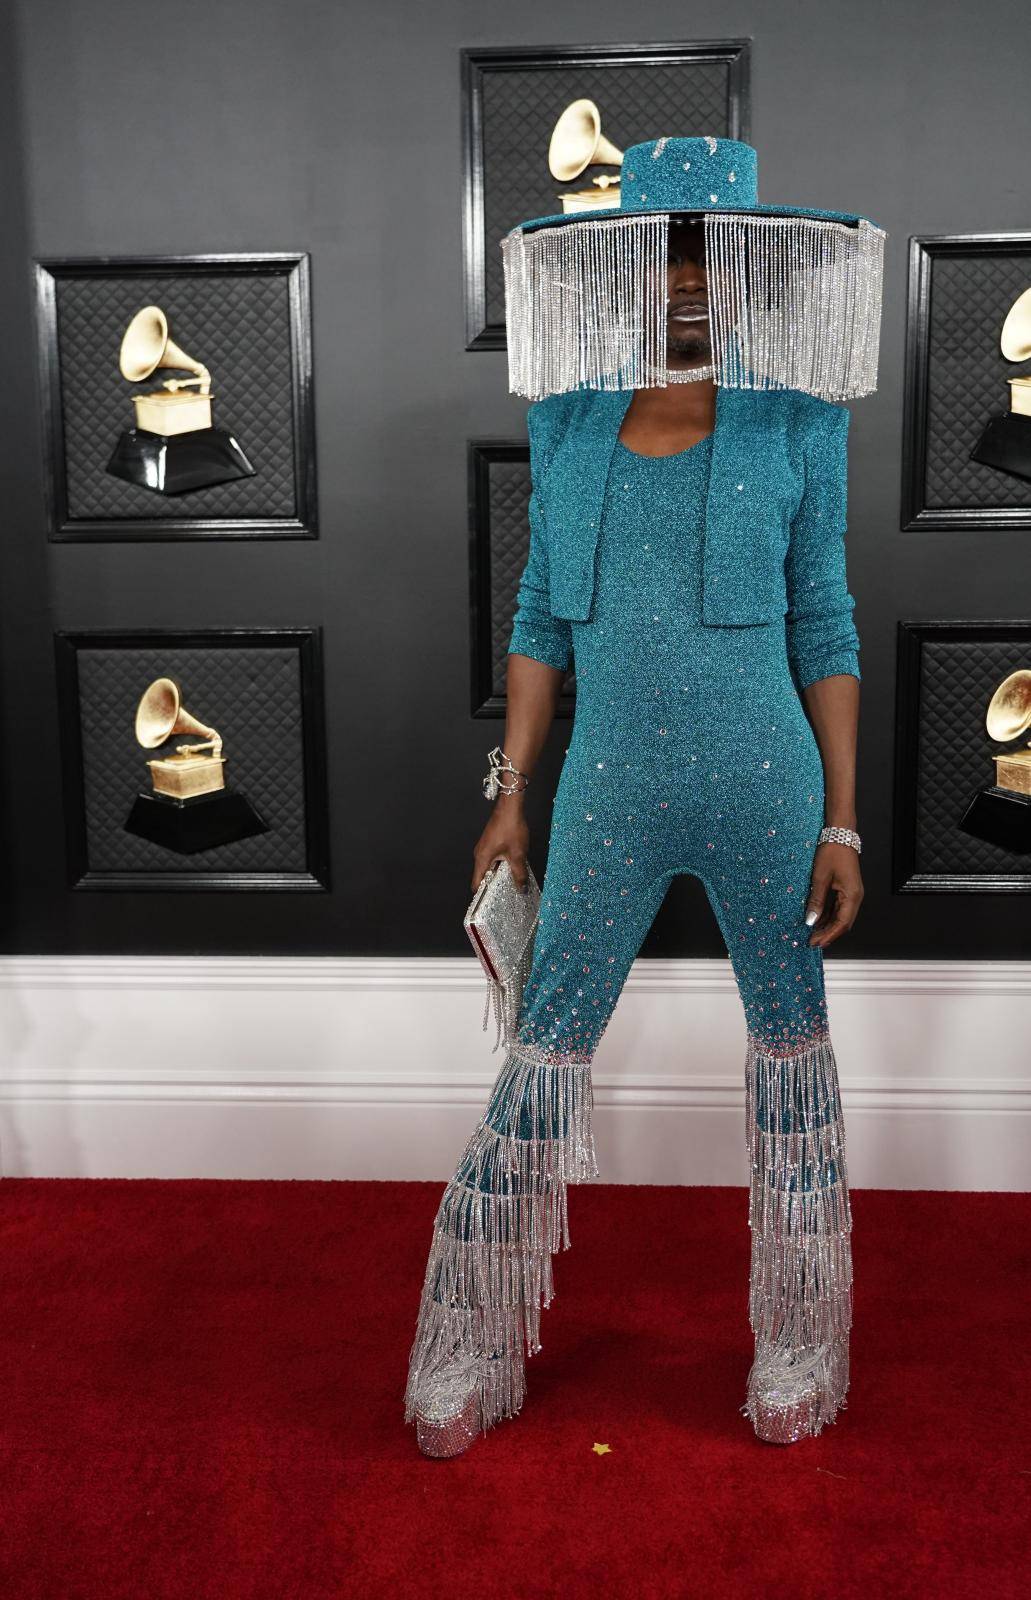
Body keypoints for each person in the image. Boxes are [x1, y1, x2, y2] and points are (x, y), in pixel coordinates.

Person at [404, 135, 887, 1455]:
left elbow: (827, 626)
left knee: (790, 1052)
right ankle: (475, 1334)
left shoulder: (798, 415)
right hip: (607, 784)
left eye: (706, 258)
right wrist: (512, 791)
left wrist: (841, 818)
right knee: (543, 1048)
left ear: (741, 273)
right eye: (662, 258)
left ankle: (800, 1331)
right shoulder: (564, 415)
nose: (685, 286)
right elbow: (538, 623)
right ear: (623, 271)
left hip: (765, 783)